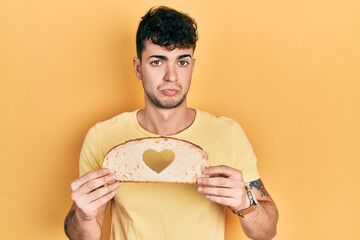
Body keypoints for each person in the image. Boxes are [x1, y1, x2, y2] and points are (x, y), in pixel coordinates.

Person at [64, 6, 278, 240]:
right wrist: (84, 217)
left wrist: (244, 202)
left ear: (192, 67)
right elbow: (82, 235)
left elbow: (266, 233)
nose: (172, 76)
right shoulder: (102, 137)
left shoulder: (229, 134)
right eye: (158, 62)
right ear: (138, 68)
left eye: (182, 62)